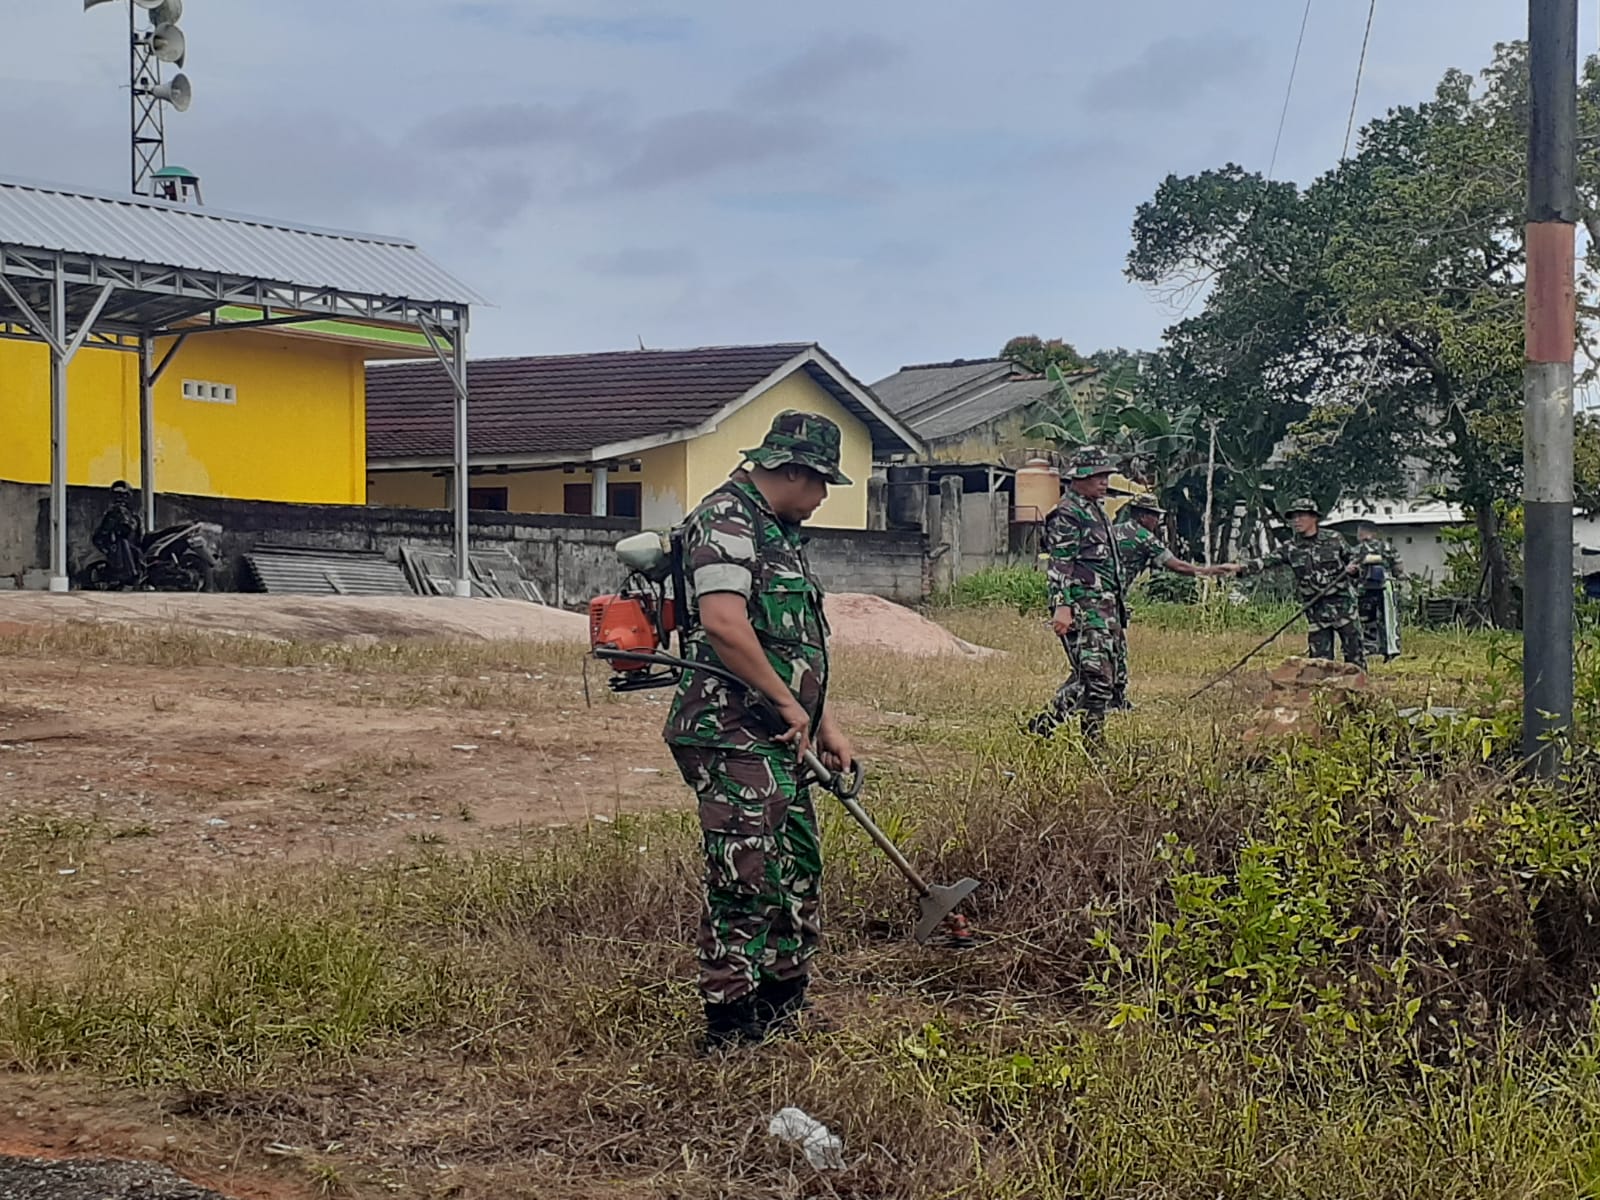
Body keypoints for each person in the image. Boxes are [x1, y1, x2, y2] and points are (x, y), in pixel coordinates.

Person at [663, 410, 854, 1052]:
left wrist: (824, 722)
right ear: (792, 470)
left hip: (779, 733)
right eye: (822, 482)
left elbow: (794, 642)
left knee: (798, 866)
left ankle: (780, 1004)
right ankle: (730, 1024)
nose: (824, 497)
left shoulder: (780, 531)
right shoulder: (726, 519)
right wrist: (786, 704)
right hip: (729, 730)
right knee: (749, 875)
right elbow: (723, 624)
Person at [1028, 448, 1124, 742]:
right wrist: (1062, 606)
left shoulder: (1096, 510)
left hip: (1105, 608)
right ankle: (1051, 727)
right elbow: (1060, 564)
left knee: (1105, 678)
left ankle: (1080, 735)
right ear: (1079, 478)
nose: (1103, 481)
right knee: (1095, 678)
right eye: (1097, 475)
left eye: (1106, 475)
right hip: (1081, 607)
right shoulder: (1067, 515)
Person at [1111, 493, 1237, 708]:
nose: (1157, 521)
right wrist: (1211, 571)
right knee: (1115, 650)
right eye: (1154, 516)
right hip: (1109, 603)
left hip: (1098, 597)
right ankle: (1114, 699)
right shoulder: (1143, 537)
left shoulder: (1113, 531)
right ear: (1143, 516)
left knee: (1108, 648)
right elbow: (1177, 566)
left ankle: (1113, 697)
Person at [1234, 497, 1365, 668]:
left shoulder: (1334, 539)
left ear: (1313, 518)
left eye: (1301, 516)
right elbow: (1266, 562)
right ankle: (1323, 693)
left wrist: (1354, 570)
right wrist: (1239, 568)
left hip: (1344, 608)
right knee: (1319, 662)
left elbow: (1355, 561)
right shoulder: (1291, 548)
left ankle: (1360, 691)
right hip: (1316, 611)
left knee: (1354, 654)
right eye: (1293, 517)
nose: (1296, 521)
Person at [1354, 521, 1403, 661]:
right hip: (1385, 586)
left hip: (1363, 588)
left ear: (1361, 533)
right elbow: (1399, 568)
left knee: (1364, 619)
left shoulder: (1358, 549)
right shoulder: (1387, 547)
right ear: (1375, 533)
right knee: (1388, 619)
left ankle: (1368, 648)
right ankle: (1391, 650)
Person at [92, 480, 144, 587]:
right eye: (117, 495)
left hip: (132, 556)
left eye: (123, 495)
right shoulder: (112, 514)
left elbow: (139, 537)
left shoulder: (134, 516)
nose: (120, 499)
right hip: (116, 555)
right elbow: (100, 535)